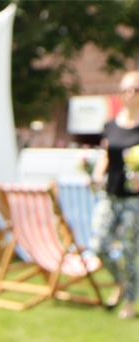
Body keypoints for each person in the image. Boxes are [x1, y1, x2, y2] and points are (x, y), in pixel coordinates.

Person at [90, 70, 139, 320]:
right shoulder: (111, 125)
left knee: (130, 249)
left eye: (135, 89)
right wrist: (97, 175)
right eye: (126, 89)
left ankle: (130, 300)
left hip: (134, 200)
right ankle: (120, 282)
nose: (130, 94)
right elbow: (105, 156)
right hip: (110, 196)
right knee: (98, 245)